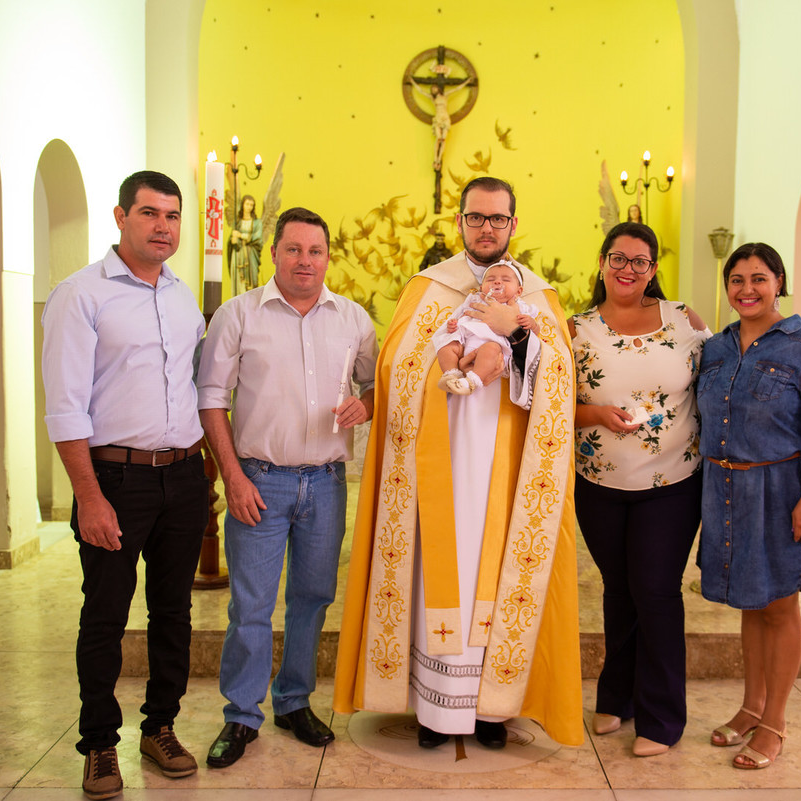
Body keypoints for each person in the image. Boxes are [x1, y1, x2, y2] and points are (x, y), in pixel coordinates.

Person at [334, 176, 584, 750]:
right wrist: (452, 359)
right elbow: (396, 367)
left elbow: (560, 379)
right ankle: (432, 710)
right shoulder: (430, 287)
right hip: (437, 467)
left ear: (514, 224)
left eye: (497, 218)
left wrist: (511, 340)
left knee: (496, 574)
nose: (486, 228)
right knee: (434, 574)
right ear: (460, 222)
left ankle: (492, 710)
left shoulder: (537, 296)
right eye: (476, 217)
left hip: (506, 471)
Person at [41, 170, 208, 801]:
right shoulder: (81, 295)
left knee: (173, 612)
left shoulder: (182, 297)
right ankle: (99, 744)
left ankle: (160, 726)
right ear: (121, 217)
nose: (163, 227)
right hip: (114, 478)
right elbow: (65, 408)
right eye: (149, 213)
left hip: (183, 475)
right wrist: (89, 496)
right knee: (106, 615)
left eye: (172, 215)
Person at [197, 206, 378, 768]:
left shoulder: (353, 319)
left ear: (328, 257)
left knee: (312, 599)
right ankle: (241, 714)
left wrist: (366, 404)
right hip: (259, 480)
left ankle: (294, 701)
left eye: (315, 251)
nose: (305, 260)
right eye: (294, 249)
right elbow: (210, 399)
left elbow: (376, 386)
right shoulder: (239, 315)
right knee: (251, 605)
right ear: (273, 252)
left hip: (325, 484)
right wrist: (232, 476)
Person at [696, 242, 801, 769]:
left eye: (759, 278)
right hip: (725, 490)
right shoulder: (717, 348)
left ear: (779, 282)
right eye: (737, 280)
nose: (747, 290)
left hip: (782, 492)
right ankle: (750, 707)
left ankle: (775, 723)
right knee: (751, 603)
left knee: (780, 606)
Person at [570, 221, 709, 758]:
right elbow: (548, 402)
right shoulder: (575, 329)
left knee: (655, 589)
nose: (628, 269)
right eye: (618, 258)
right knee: (618, 588)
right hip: (599, 482)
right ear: (602, 261)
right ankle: (617, 696)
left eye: (640, 261)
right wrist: (596, 414)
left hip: (672, 482)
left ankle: (662, 717)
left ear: (652, 269)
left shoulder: (683, 318)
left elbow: (716, 383)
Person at [433, 260, 537, 395]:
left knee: (491, 350)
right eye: (491, 279)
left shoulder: (519, 307)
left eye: (506, 280)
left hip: (491, 345)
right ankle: (451, 375)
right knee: (446, 347)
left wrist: (531, 324)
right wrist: (454, 325)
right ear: (482, 288)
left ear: (519, 291)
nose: (497, 282)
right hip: (466, 342)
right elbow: (463, 315)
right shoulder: (475, 300)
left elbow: (534, 334)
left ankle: (472, 382)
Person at [228, 193, 262, 294]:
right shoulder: (237, 222)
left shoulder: (257, 223)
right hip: (238, 254)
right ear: (243, 205)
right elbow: (232, 238)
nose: (249, 207)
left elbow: (258, 238)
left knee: (252, 279)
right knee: (238, 280)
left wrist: (241, 235)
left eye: (251, 205)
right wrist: (233, 240)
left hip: (250, 255)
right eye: (247, 204)